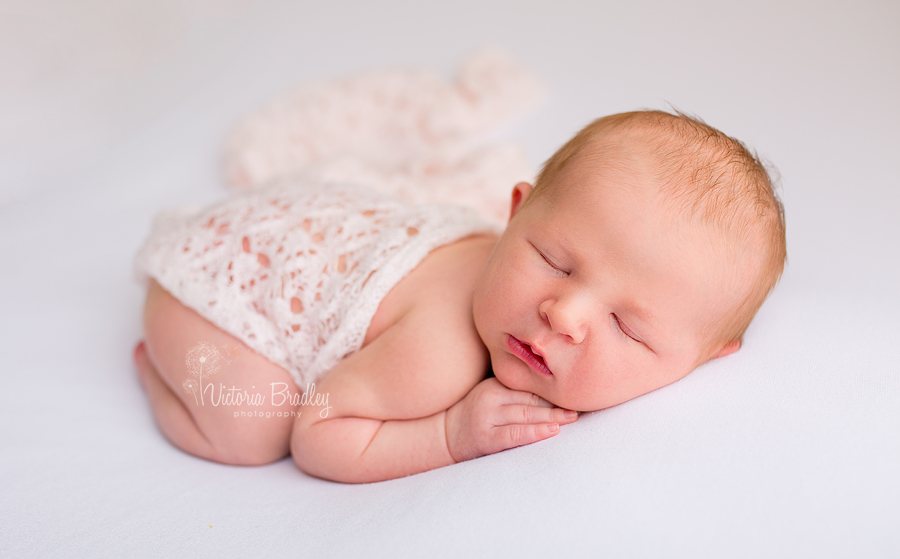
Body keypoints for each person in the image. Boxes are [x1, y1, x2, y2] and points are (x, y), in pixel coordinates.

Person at [133, 110, 786, 483]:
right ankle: (156, 368)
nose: (565, 314)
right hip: (215, 286)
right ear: (514, 216)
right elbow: (319, 432)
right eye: (552, 261)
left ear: (707, 357)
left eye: (628, 327)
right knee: (253, 430)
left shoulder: (544, 304)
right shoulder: (437, 351)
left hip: (288, 235)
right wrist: (450, 435)